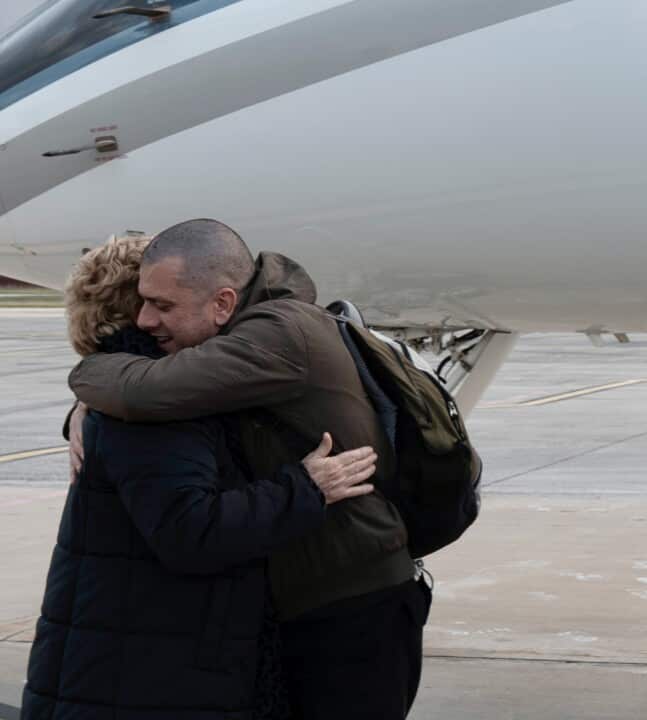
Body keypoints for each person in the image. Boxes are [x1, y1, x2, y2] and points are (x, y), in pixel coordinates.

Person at [66, 220, 430, 720]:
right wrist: (87, 407)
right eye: (143, 304)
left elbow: (142, 391)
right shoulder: (242, 328)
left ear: (223, 302)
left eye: (163, 306)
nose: (148, 320)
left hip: (351, 609)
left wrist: (90, 374)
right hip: (314, 597)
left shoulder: (276, 334)